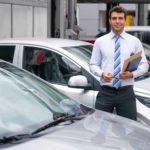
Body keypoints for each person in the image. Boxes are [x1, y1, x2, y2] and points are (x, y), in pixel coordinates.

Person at [90, 6, 149, 120]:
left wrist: (132, 74)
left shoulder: (134, 41)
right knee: (100, 128)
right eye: (114, 18)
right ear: (109, 20)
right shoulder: (100, 42)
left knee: (130, 127)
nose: (117, 21)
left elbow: (144, 65)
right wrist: (102, 74)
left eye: (120, 18)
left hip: (126, 93)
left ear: (125, 20)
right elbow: (93, 65)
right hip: (105, 92)